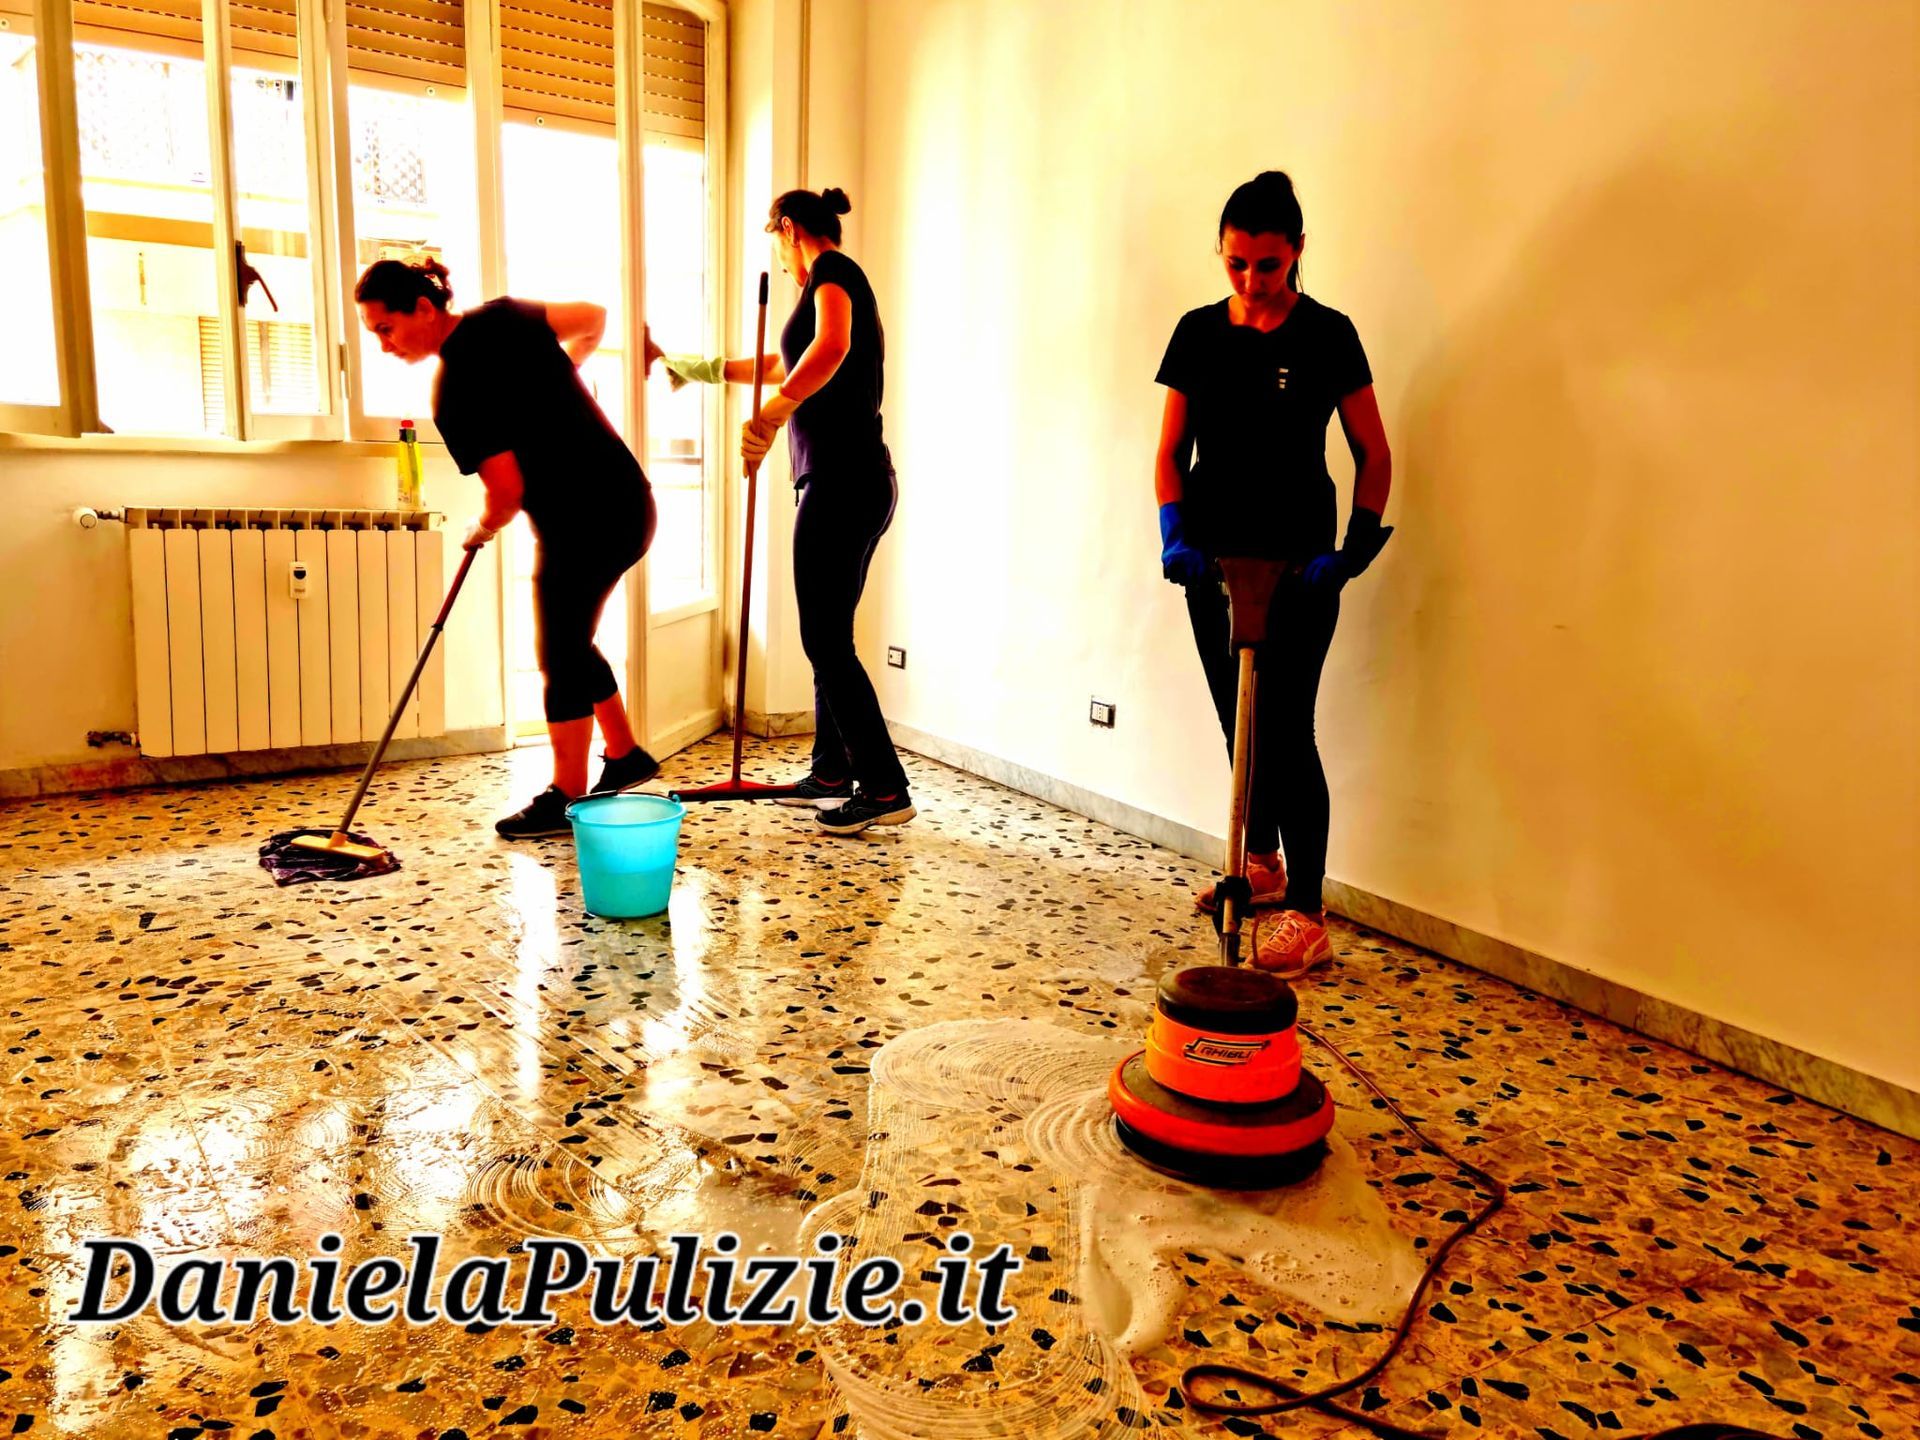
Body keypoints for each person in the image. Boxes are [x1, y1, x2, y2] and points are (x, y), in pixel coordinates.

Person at [1153, 171, 1394, 976]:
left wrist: (1353, 548)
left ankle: (1308, 910)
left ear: (1296, 253)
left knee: (1288, 730)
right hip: (1211, 561)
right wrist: (1173, 533)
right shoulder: (1196, 333)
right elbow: (1169, 452)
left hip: (1299, 564)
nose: (1252, 281)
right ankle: (1259, 864)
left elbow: (1373, 451)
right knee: (1240, 721)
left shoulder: (1329, 334)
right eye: (1236, 264)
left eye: (1269, 265)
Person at [355, 258, 660, 839]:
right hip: (629, 504)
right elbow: (594, 317)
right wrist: (566, 373)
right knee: (570, 638)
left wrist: (482, 527)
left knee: (559, 652)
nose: (384, 345)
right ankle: (624, 755)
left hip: (583, 524)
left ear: (423, 308)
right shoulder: (506, 317)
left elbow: (508, 493)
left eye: (386, 329)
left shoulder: (454, 393)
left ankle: (567, 794)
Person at [667, 186, 913, 836]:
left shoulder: (833, 271)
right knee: (832, 634)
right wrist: (705, 368)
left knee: (823, 640)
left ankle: (884, 786)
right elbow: (787, 361)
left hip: (843, 482)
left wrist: (774, 415)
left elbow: (829, 348)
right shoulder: (825, 286)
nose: (780, 262)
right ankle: (832, 772)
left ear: (786, 229)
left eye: (776, 245)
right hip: (857, 481)